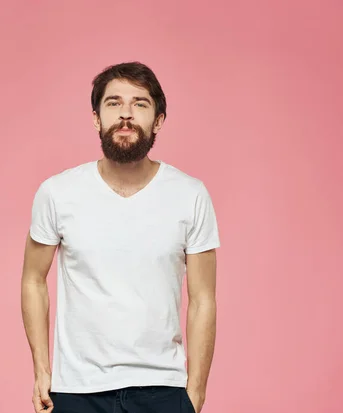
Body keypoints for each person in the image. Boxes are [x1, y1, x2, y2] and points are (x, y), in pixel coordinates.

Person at [21, 61, 220, 413]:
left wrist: (196, 391)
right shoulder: (57, 192)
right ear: (97, 117)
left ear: (158, 120)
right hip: (76, 391)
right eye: (113, 103)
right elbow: (33, 280)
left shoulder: (190, 195)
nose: (125, 114)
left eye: (139, 104)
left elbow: (203, 298)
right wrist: (41, 370)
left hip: (163, 388)